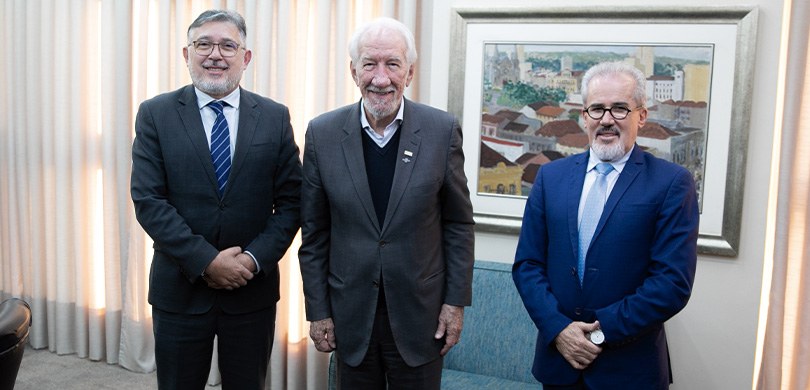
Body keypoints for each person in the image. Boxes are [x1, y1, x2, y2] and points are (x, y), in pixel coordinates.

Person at [298, 17, 475, 390]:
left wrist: (454, 303)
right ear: (353, 71)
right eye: (369, 64)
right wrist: (319, 311)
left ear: (409, 72)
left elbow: (458, 225)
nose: (381, 78)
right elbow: (314, 234)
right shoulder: (322, 134)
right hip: (350, 318)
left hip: (421, 318)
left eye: (392, 64)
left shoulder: (442, 131)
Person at [130, 9, 301, 389]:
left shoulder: (274, 117)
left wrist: (252, 260)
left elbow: (292, 202)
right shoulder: (155, 114)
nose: (215, 54)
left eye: (228, 45)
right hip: (180, 289)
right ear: (186, 54)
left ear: (246, 57)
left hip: (251, 290)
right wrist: (207, 261)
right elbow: (149, 200)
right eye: (203, 44)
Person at [512, 61, 699, 389]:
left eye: (620, 108)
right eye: (597, 109)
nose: (607, 119)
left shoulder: (672, 183)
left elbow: (672, 284)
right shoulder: (551, 178)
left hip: (629, 371)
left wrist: (598, 333)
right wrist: (559, 329)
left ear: (642, 115)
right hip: (559, 365)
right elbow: (527, 265)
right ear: (584, 116)